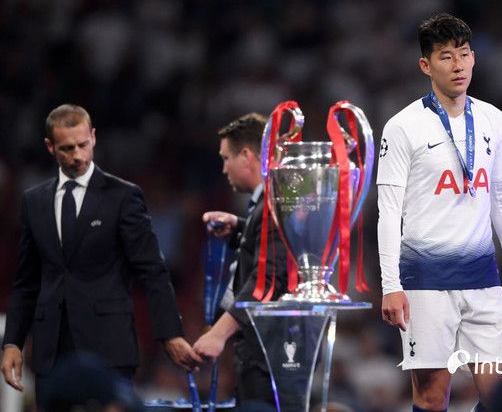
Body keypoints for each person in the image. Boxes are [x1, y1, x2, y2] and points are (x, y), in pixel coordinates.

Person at [377, 13, 502, 412]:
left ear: (474, 58)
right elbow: (388, 211)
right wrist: (390, 284)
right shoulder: (403, 126)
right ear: (425, 65)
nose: (458, 65)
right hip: (426, 282)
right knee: (432, 399)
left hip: (483, 278)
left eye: (463, 54)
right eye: (446, 56)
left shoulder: (494, 119)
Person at [0, 104, 201, 406]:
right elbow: (26, 281)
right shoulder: (34, 201)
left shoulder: (123, 196)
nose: (78, 155)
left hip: (108, 347)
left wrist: (170, 334)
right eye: (67, 148)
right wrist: (12, 342)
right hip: (51, 351)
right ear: (50, 146)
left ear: (93, 137)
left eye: (83, 145)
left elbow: (152, 270)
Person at [193, 113, 287, 408]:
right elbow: (271, 247)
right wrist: (239, 228)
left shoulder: (274, 202)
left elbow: (268, 278)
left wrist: (218, 334)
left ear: (246, 156)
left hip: (269, 356)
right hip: (263, 353)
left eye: (226, 158)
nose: (223, 168)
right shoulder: (267, 203)